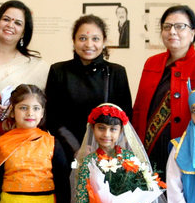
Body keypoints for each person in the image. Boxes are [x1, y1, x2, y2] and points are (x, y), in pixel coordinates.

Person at [133, 5, 195, 179]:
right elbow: (138, 110)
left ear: (193, 33)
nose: (172, 31)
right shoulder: (151, 63)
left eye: (180, 26)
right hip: (149, 151)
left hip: (187, 153)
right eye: (167, 27)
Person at [45, 14, 133, 160]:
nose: (89, 44)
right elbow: (53, 118)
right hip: (67, 151)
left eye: (95, 39)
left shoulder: (116, 72)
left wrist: (106, 146)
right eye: (82, 38)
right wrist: (76, 149)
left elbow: (125, 116)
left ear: (104, 41)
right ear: (74, 41)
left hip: (108, 153)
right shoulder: (59, 71)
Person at [0, 0, 49, 140]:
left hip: (17, 142)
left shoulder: (36, 67)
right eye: (6, 19)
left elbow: (43, 109)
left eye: (18, 23)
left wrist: (14, 110)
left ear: (24, 32)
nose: (10, 25)